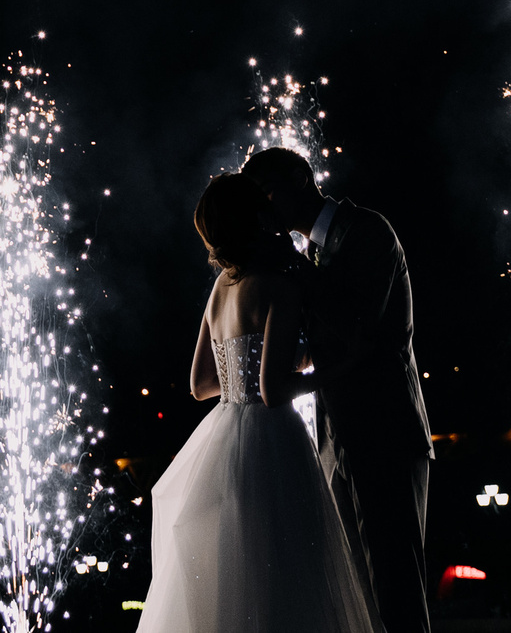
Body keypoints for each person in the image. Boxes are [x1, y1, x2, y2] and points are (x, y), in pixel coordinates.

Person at [133, 172, 380, 633]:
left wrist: (249, 377)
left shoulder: (221, 287)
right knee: (286, 573)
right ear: (255, 218)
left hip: (223, 436)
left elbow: (201, 384)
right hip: (272, 442)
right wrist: (342, 366)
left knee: (235, 575)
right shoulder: (278, 286)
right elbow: (271, 392)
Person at [242, 146, 433, 633]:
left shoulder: (369, 230)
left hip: (385, 433)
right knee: (358, 600)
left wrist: (295, 269)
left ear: (303, 178)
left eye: (267, 193)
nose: (263, 209)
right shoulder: (312, 253)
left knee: (395, 593)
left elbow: (358, 326)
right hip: (336, 440)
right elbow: (321, 345)